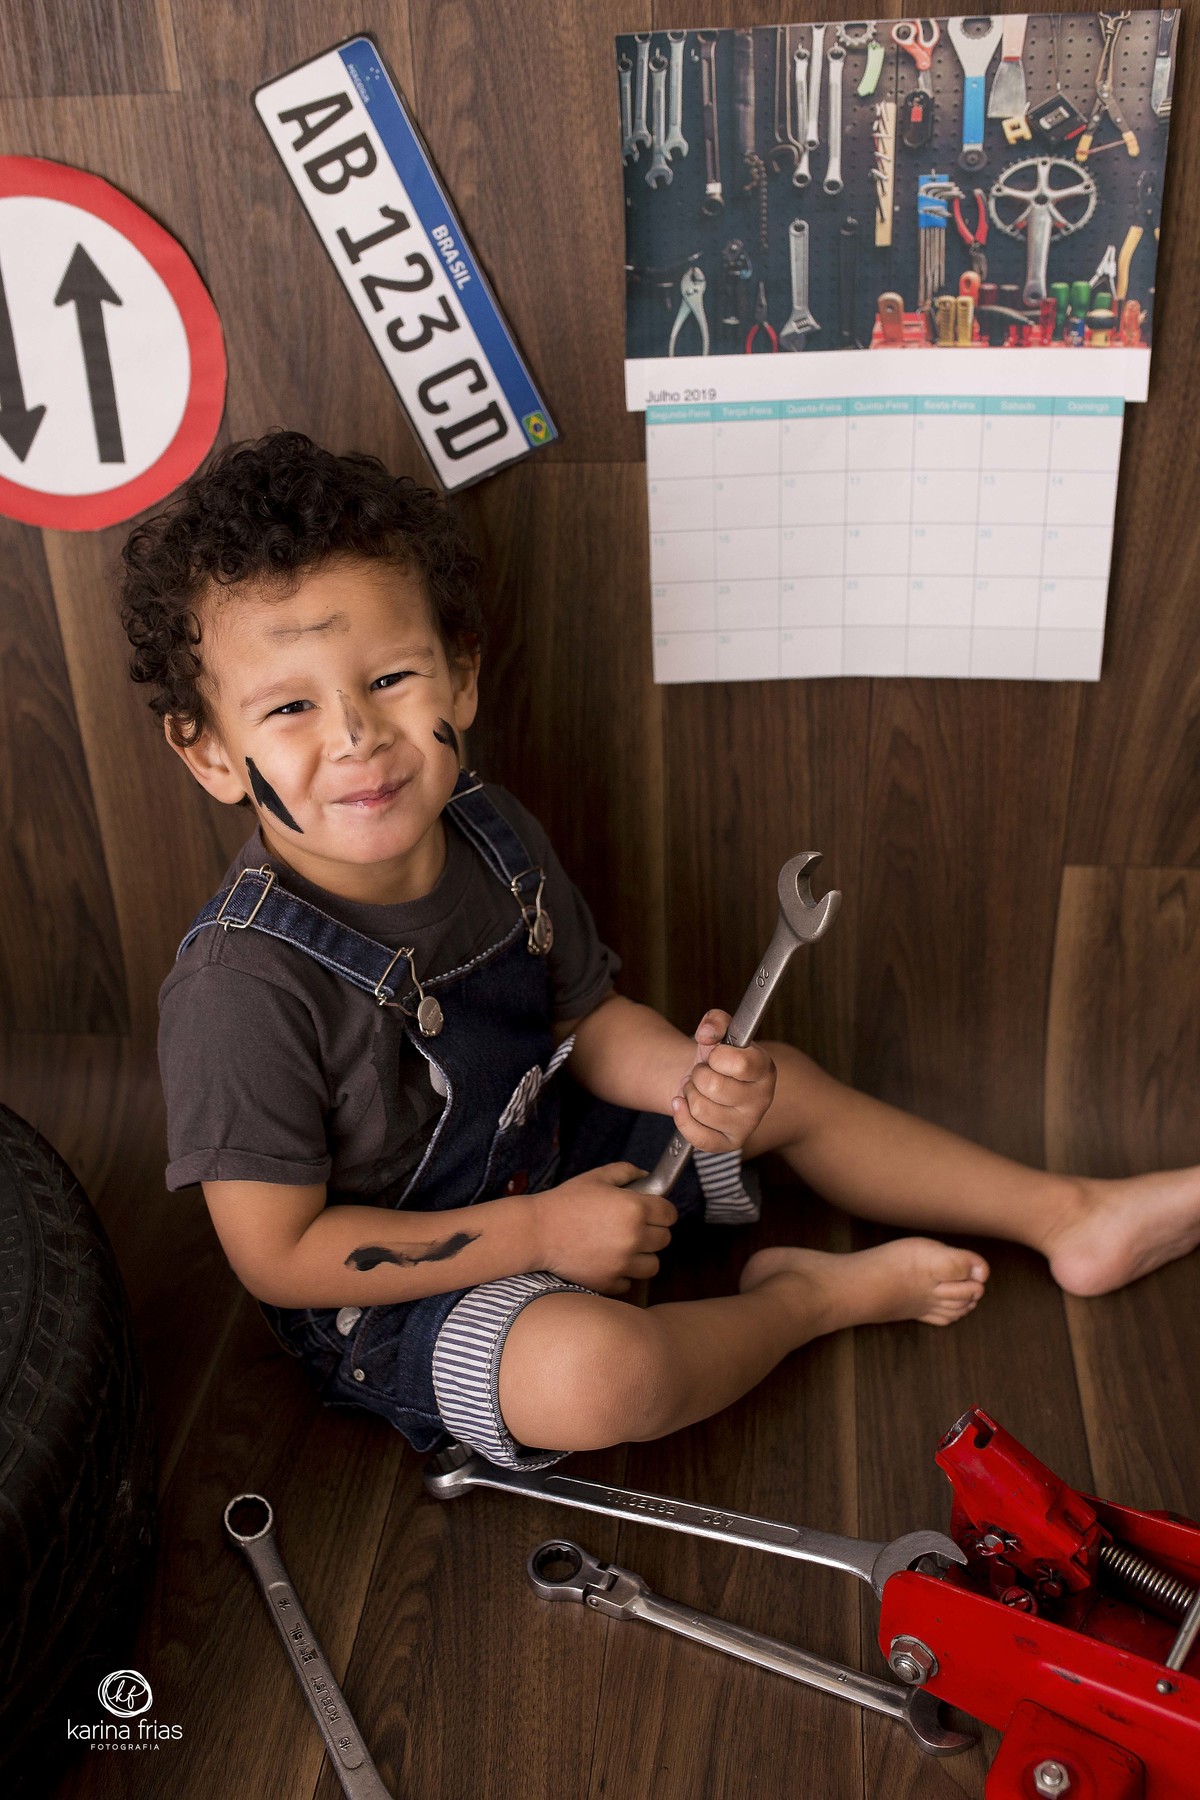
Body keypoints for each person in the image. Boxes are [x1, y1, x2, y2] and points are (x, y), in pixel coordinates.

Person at [122, 430, 1200, 1474]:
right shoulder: (238, 987)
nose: (356, 735)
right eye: (291, 706)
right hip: (394, 1296)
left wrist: (687, 1080)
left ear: (462, 675)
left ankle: (1071, 1216)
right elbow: (280, 1256)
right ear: (209, 752)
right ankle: (802, 1300)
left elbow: (584, 1021)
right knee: (602, 1377)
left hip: (552, 1149)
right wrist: (541, 1234)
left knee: (780, 1084)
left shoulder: (492, 835)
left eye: (392, 678)